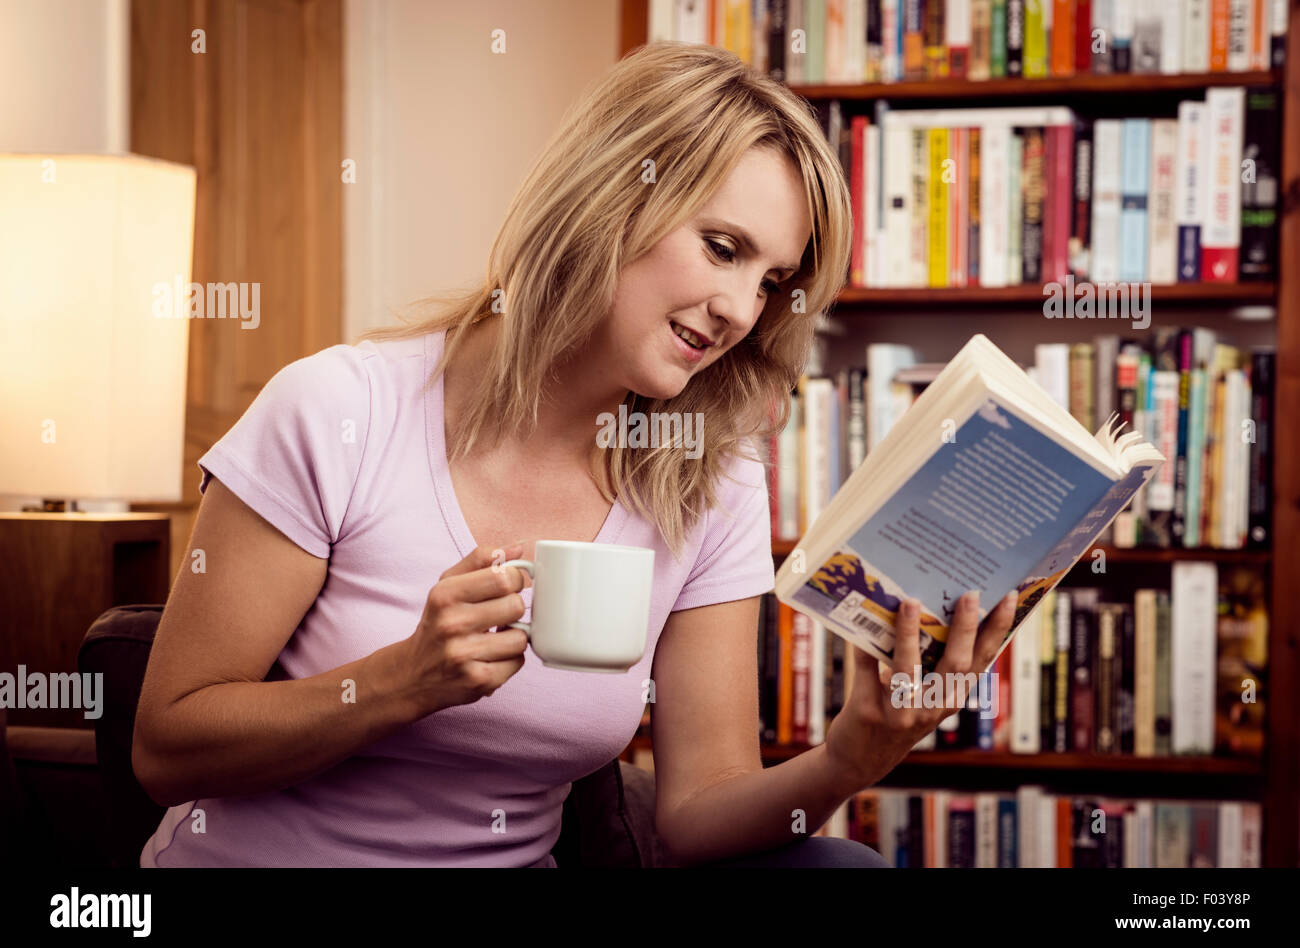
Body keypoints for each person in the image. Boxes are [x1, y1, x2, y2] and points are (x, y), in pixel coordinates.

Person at [133, 41, 1016, 868]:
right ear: (610, 198)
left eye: (771, 283)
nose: (743, 310)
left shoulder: (711, 480)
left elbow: (700, 806)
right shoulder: (338, 410)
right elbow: (166, 748)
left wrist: (847, 759)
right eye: (722, 248)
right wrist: (400, 682)